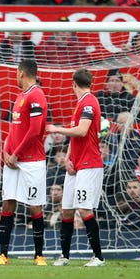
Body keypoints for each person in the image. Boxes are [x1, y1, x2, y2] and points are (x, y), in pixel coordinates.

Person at [45, 69, 106, 267]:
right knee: (67, 210)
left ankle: (98, 257)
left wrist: (56, 129)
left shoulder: (89, 102)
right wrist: (68, 159)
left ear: (73, 84)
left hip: (90, 164)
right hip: (76, 165)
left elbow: (81, 130)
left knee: (85, 208)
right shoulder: (80, 104)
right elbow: (76, 137)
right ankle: (65, 256)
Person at [0, 59, 48, 266]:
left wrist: (15, 153)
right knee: (8, 203)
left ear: (21, 73)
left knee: (34, 206)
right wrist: (5, 150)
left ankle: (39, 255)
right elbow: (14, 129)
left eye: (16, 73)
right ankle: (3, 255)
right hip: (13, 161)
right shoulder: (19, 97)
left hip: (31, 162)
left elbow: (35, 131)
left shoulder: (37, 95)